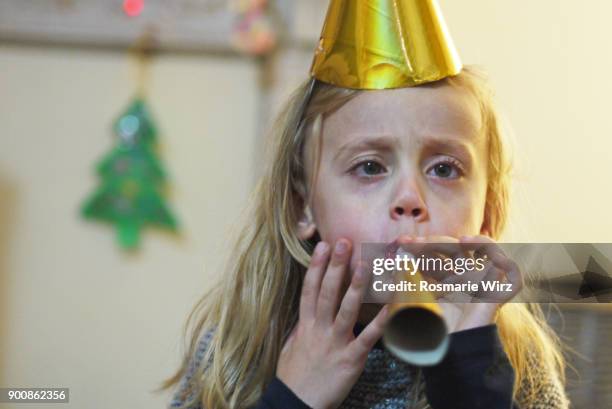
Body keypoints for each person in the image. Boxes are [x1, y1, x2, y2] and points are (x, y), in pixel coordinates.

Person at [160, 1, 569, 408]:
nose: (410, 199)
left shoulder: (515, 359)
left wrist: (468, 377)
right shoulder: (240, 345)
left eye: (444, 170)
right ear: (302, 206)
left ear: (488, 212)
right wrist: (293, 397)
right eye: (370, 167)